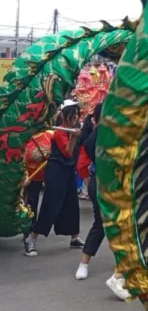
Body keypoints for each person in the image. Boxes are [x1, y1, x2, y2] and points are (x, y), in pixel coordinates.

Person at [73, 104, 131, 300]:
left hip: (108, 183)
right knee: (111, 225)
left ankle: (119, 272)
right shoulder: (101, 134)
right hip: (108, 184)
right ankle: (114, 272)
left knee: (118, 226)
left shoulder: (103, 132)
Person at [24, 100, 84, 257]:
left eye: (77, 115)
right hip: (56, 170)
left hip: (68, 170)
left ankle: (74, 238)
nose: (76, 117)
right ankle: (31, 239)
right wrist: (72, 137)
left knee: (71, 203)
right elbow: (68, 153)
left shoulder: (75, 129)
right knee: (51, 204)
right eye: (73, 115)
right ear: (65, 116)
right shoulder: (58, 132)